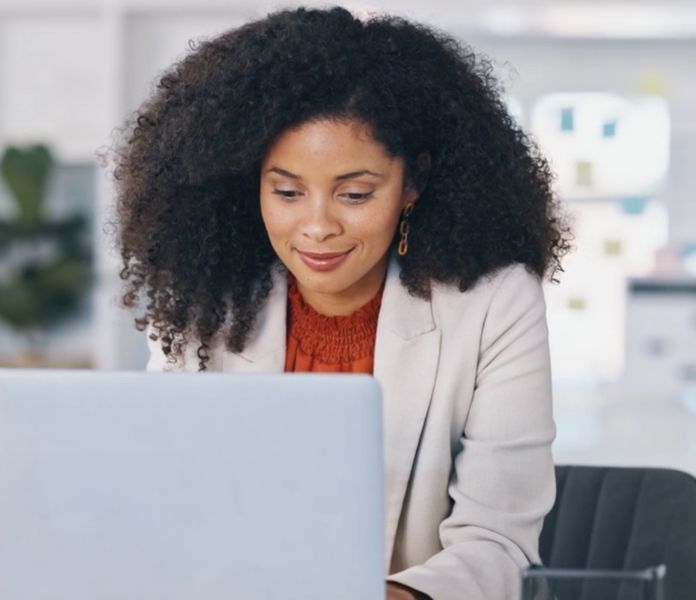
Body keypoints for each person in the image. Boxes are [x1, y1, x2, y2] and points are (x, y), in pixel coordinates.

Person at [111, 8, 572, 600]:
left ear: (413, 183)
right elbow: (171, 507)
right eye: (286, 192)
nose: (317, 227)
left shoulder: (493, 302)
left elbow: (496, 540)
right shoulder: (204, 302)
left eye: (355, 194)